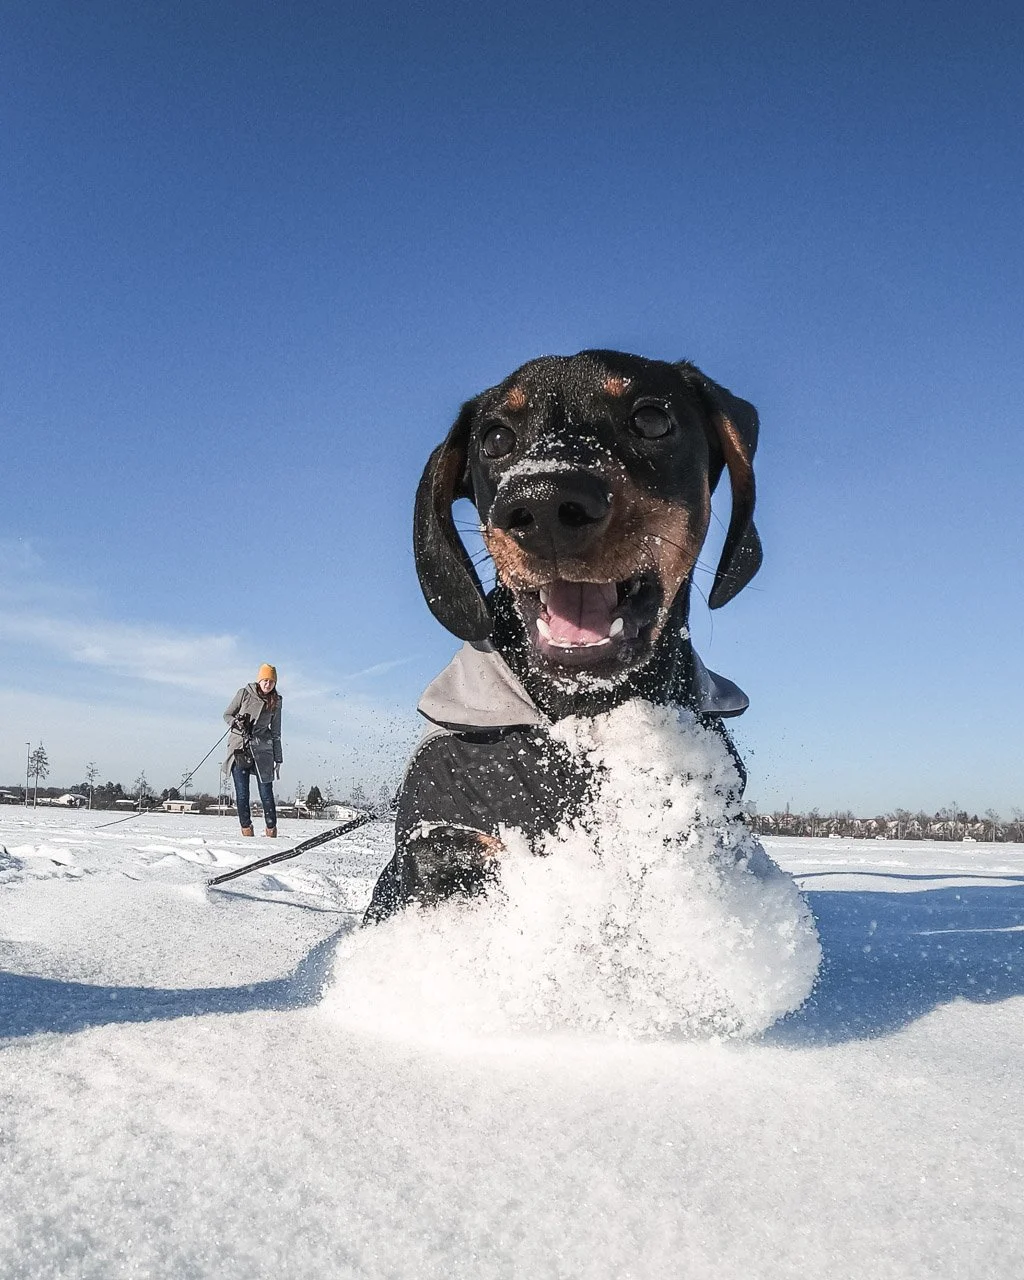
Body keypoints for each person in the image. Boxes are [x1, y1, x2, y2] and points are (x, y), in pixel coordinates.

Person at [223, 664, 283, 837]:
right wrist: (236, 722)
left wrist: (278, 758)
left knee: (266, 793)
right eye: (265, 680)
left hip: (263, 750)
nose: (268, 684)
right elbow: (227, 714)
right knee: (242, 794)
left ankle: (271, 830)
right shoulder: (244, 693)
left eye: (271, 681)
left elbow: (276, 732)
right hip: (239, 749)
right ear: (259, 680)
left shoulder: (276, 702)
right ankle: (246, 830)